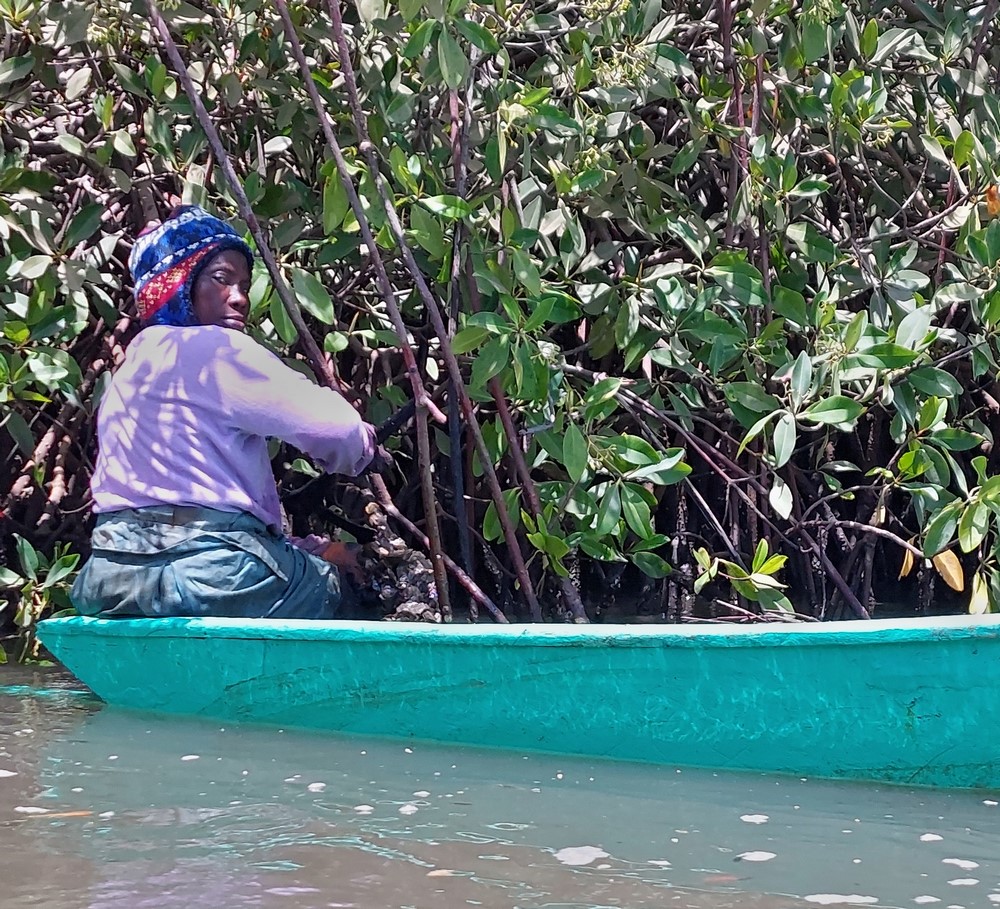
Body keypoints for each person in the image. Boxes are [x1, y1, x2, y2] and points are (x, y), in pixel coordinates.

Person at [71, 204, 385, 620]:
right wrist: (365, 449)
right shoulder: (219, 351)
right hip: (211, 577)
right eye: (221, 279)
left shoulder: (130, 369)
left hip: (109, 580)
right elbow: (337, 431)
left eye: (243, 283)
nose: (238, 298)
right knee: (341, 580)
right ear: (179, 285)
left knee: (294, 555)